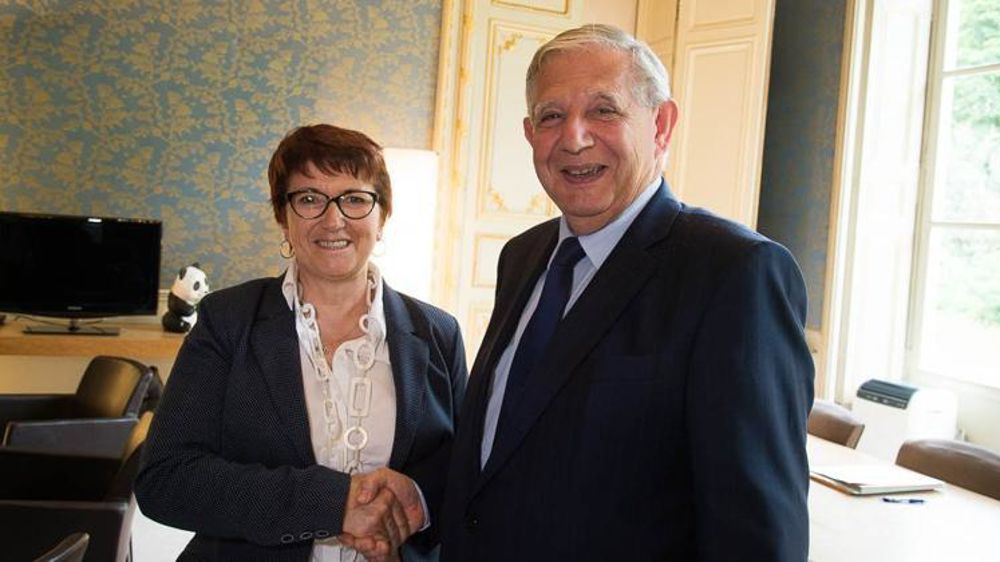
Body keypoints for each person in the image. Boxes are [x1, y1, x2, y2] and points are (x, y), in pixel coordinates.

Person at [440, 24, 814, 561]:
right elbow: (502, 456)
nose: (573, 138)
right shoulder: (521, 257)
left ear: (661, 125)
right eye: (551, 116)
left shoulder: (735, 272)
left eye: (604, 110)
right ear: (529, 135)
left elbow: (756, 533)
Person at [136, 124, 468, 562]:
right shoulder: (227, 321)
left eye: (354, 198)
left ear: (382, 216)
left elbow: (466, 479)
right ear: (283, 216)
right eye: (309, 198)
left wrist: (416, 503)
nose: (334, 220)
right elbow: (166, 479)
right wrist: (333, 504)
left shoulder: (438, 334)